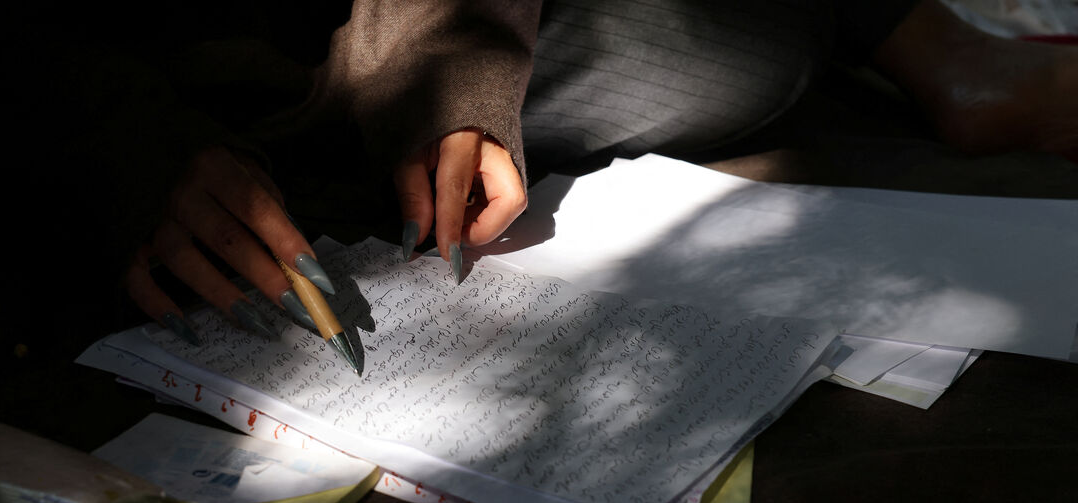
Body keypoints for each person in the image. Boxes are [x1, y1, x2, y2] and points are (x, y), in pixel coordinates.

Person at [116, 0, 1078, 345]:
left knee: (742, 49)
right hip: (166, 90)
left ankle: (936, 47)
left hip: (395, 39)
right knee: (743, 46)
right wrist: (123, 148)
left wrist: (452, 65)